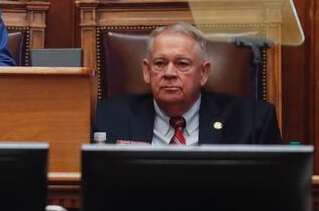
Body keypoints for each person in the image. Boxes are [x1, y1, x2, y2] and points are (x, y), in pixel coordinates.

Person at [93, 23, 281, 145]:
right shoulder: (108, 117)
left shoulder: (252, 121)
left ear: (203, 72)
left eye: (182, 64)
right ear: (146, 71)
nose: (169, 73)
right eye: (160, 63)